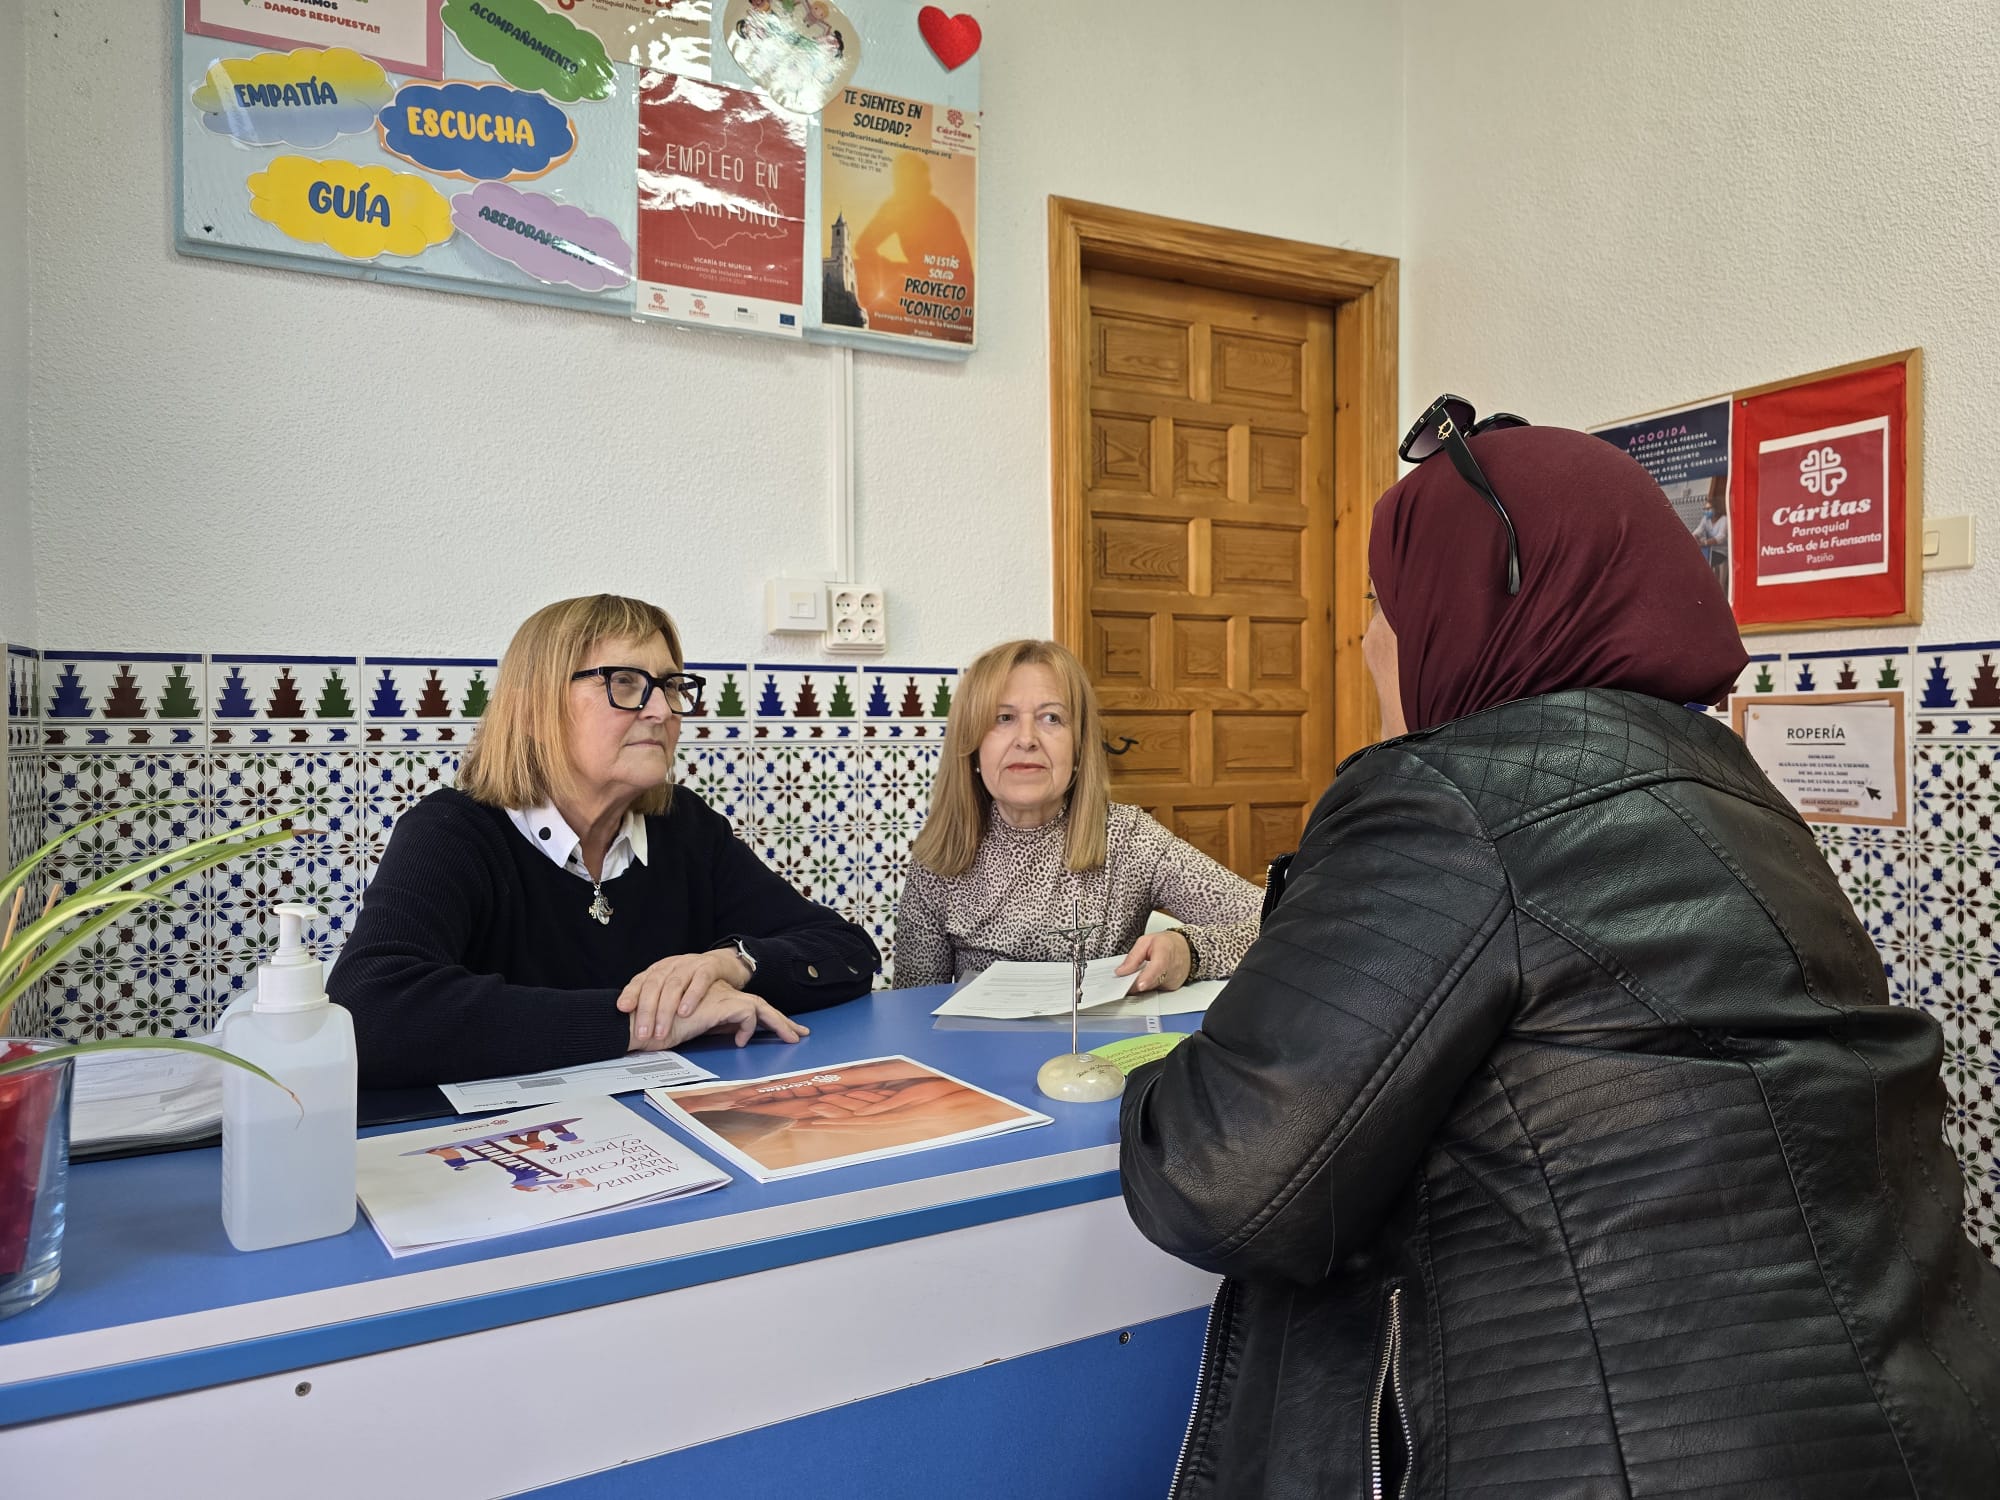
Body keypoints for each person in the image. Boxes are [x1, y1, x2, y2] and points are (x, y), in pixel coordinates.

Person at [1118, 408, 2000, 1499]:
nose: (1369, 642)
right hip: (1923, 1421)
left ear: (1464, 608)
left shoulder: (1447, 798)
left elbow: (1219, 1176)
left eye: (1385, 605)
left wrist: (1144, 1083)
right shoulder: (1731, 788)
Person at [331, 594, 878, 1089]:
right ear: (533, 708)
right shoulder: (453, 832)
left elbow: (848, 951)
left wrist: (732, 963)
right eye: (624, 682)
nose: (660, 711)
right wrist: (644, 1021)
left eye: (670, 686)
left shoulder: (684, 827)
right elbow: (369, 1011)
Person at [892, 640, 1262, 992]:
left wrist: (1191, 951)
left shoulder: (1128, 838)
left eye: (1051, 718)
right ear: (972, 747)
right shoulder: (938, 858)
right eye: (1003, 718)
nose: (1026, 738)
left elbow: (1279, 921)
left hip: (1101, 1039)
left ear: (1079, 747)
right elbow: (911, 1006)